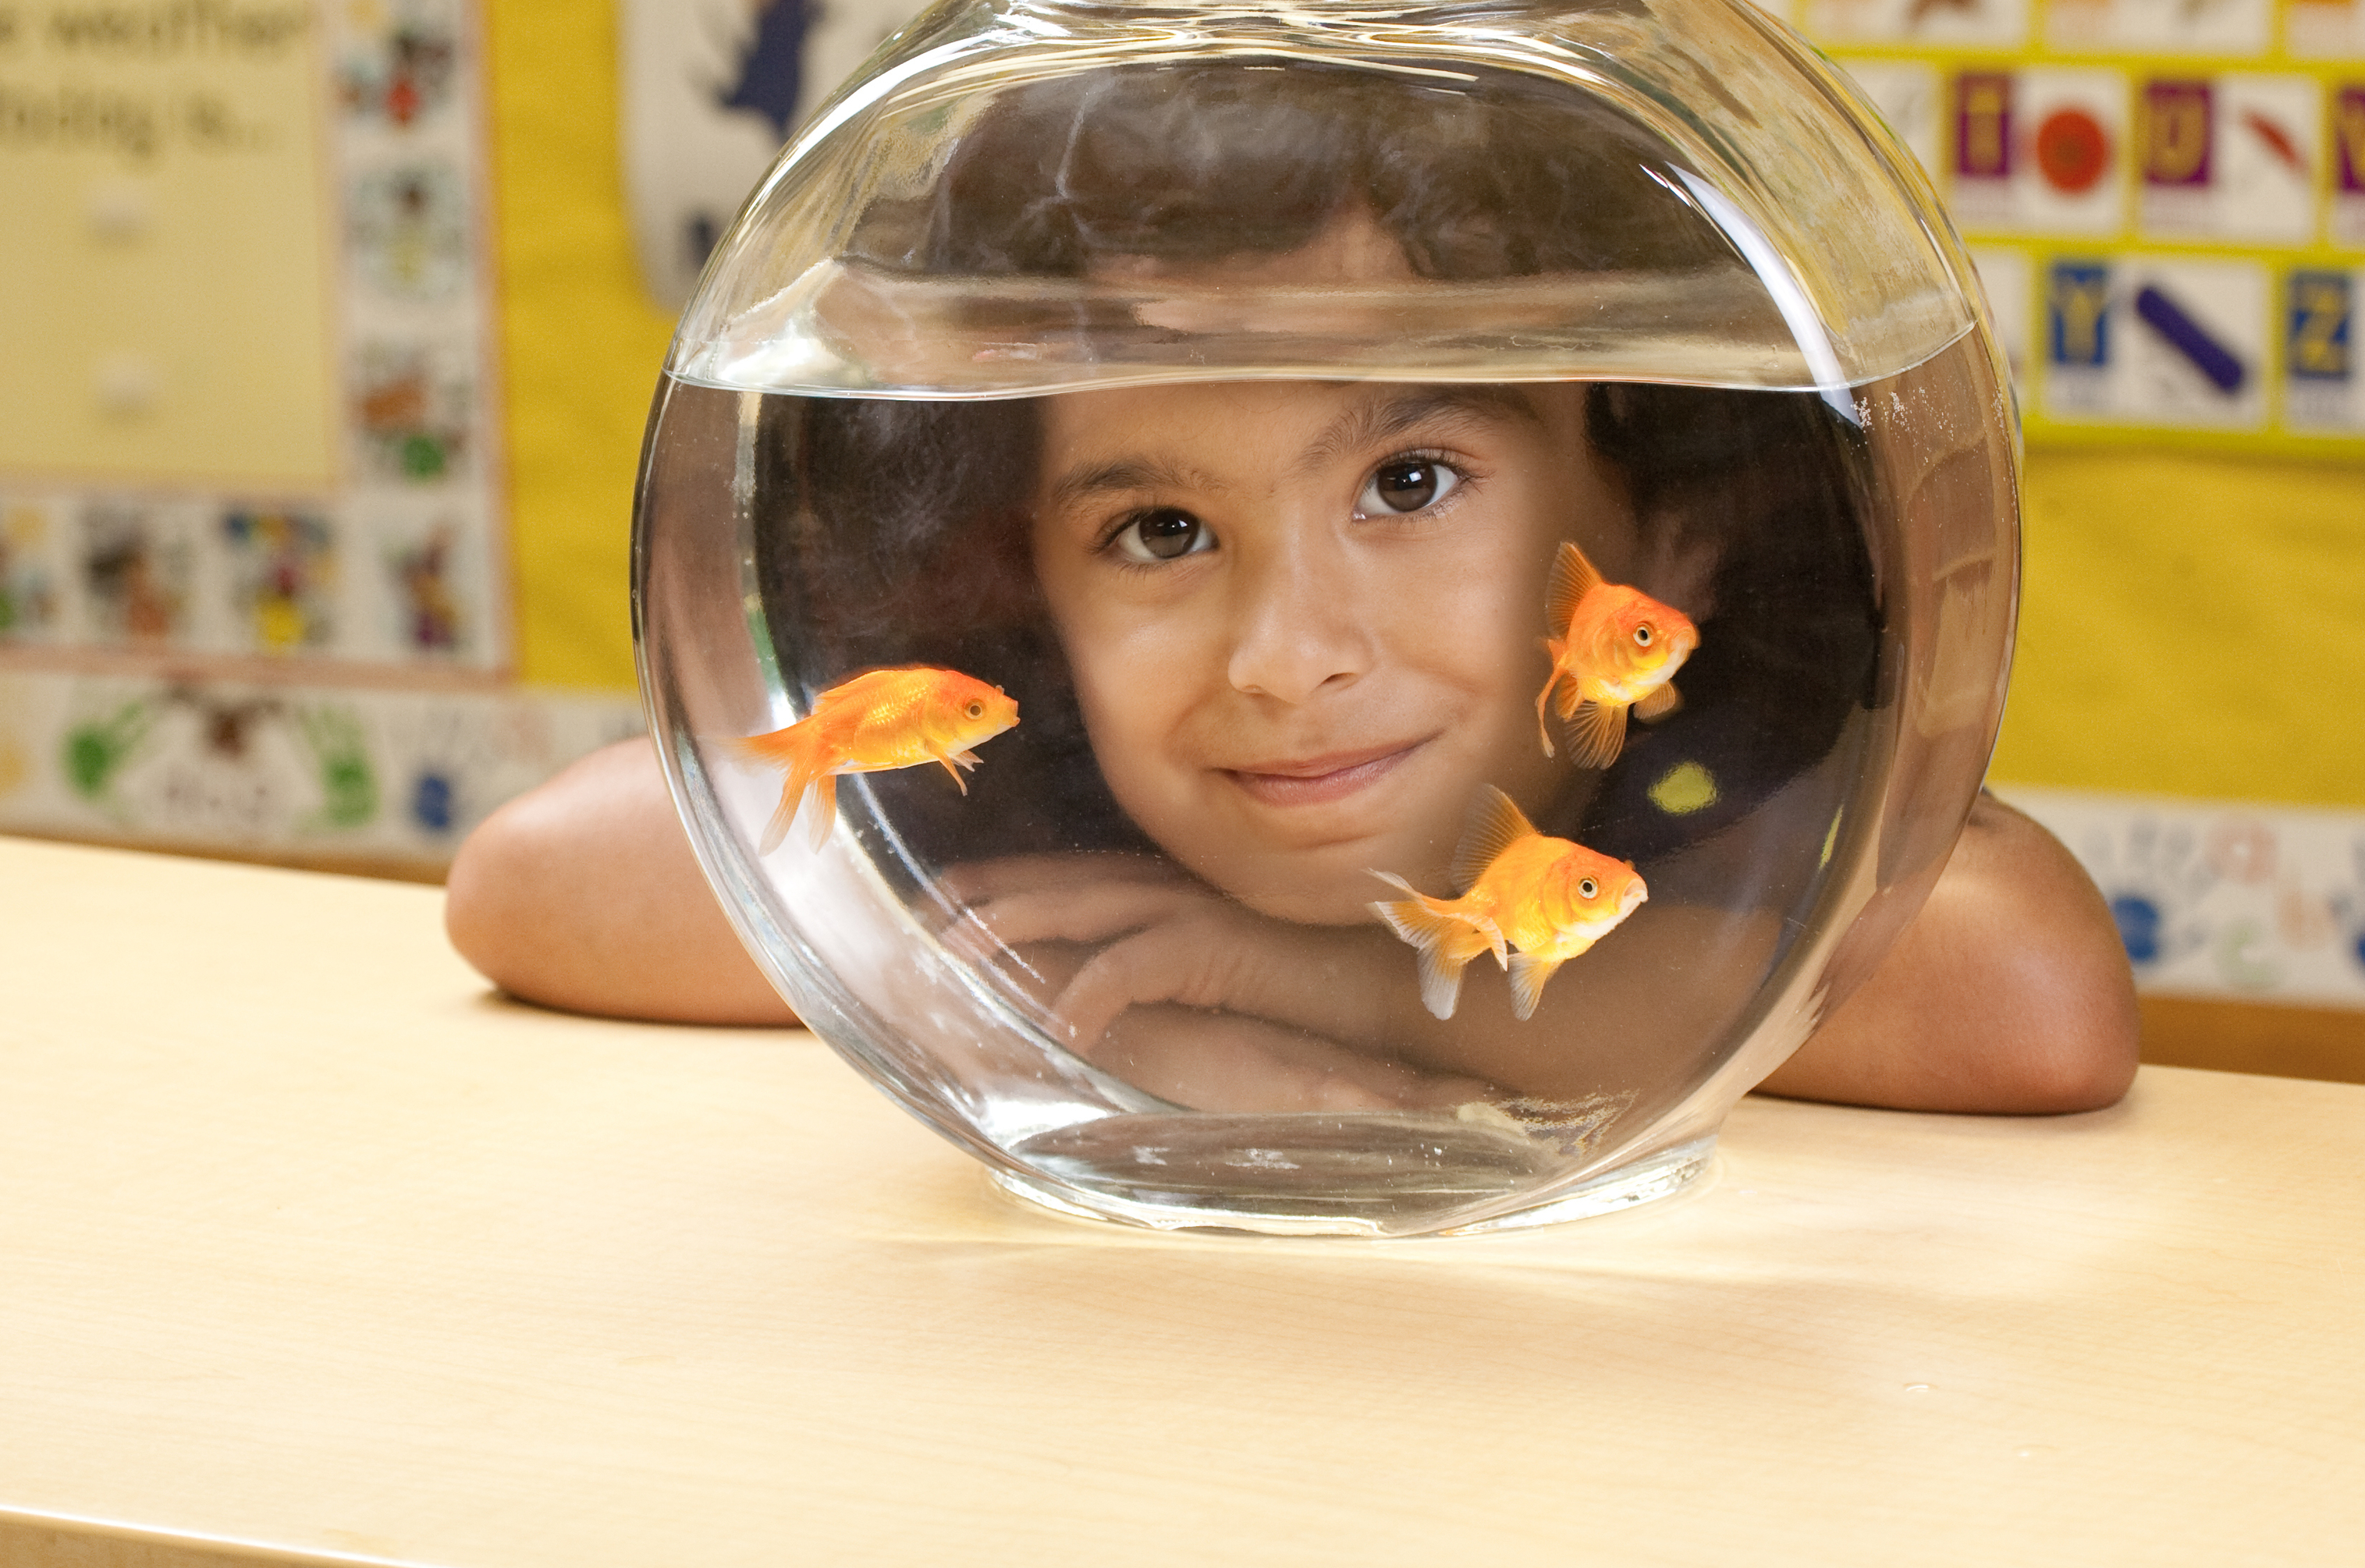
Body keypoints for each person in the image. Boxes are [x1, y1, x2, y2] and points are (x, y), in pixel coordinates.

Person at [452, 65, 2139, 1116]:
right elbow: (534, 883)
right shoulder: (1058, 781)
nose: (1283, 659)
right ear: (1026, 572)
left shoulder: (1705, 770)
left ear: (1665, 534)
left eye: (1406, 484)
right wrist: (1096, 1034)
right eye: (1157, 532)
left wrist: (1309, 983)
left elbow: (2028, 1000)